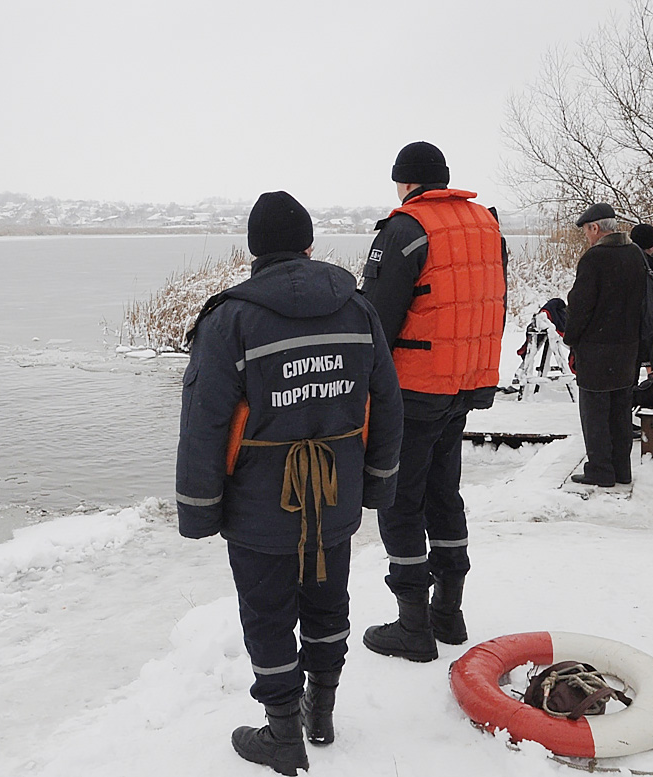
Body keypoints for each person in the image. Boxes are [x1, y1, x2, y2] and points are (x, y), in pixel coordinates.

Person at [176, 191, 403, 774]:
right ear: (308, 244)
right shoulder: (357, 309)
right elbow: (386, 402)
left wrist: (200, 511)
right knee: (328, 601)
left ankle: (283, 734)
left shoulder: (230, 318)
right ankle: (319, 710)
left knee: (268, 614)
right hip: (336, 494)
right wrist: (377, 485)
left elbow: (205, 423)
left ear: (255, 251)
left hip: (260, 507)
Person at [359, 141, 506, 663]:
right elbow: (483, 298)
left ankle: (412, 626)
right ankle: (449, 612)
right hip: (464, 383)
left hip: (416, 388)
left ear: (405, 182)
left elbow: (374, 319)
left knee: (400, 499)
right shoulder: (485, 224)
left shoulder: (404, 229)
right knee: (445, 493)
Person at [564, 204, 647, 487]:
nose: (587, 237)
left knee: (595, 412)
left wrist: (571, 338)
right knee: (621, 411)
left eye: (587, 231)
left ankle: (600, 469)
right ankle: (622, 469)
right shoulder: (635, 253)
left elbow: (580, 306)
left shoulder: (594, 259)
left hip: (597, 349)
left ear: (595, 228)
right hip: (628, 347)